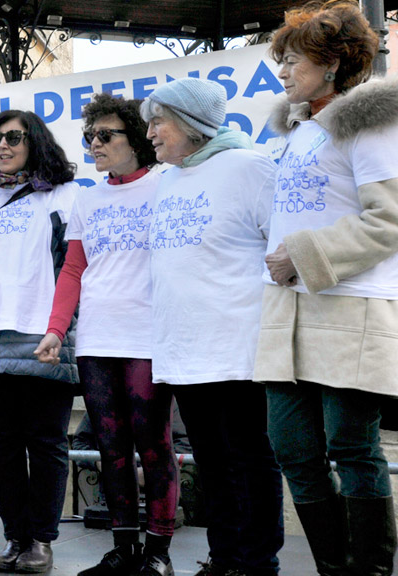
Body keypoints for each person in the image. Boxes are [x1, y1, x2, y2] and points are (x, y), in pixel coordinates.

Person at [258, 2, 398, 574]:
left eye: (294, 61)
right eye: (283, 61)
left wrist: (302, 254)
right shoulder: (300, 132)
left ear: (334, 64)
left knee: (352, 448)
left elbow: (389, 219)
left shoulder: (368, 123)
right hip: (288, 308)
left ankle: (369, 570)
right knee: (291, 447)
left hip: (352, 306)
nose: (282, 72)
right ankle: (333, 569)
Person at [141, 77, 285, 576]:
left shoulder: (250, 167)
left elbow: (283, 249)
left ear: (191, 124)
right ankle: (224, 559)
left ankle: (258, 563)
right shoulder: (168, 179)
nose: (150, 133)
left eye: (158, 122)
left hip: (238, 344)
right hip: (183, 347)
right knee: (210, 459)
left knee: (250, 456)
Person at [36, 93, 177, 576]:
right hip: (97, 339)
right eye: (89, 136)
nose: (94, 144)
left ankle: (158, 553)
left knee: (154, 444)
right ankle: (123, 549)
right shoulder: (88, 198)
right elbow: (73, 269)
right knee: (111, 447)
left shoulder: (165, 186)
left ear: (135, 138)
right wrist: (56, 330)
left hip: (147, 337)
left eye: (104, 135)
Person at [0, 109, 78, 574]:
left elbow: (74, 267)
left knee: (46, 442)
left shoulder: (65, 196)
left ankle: (42, 541)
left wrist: (61, 328)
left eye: (14, 137)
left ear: (36, 142)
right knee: (1, 443)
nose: (3, 146)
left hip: (41, 331)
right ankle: (15, 537)